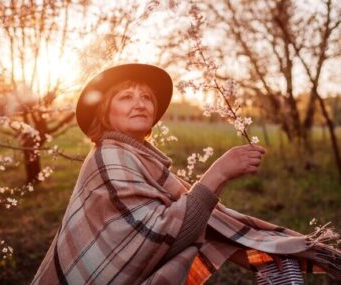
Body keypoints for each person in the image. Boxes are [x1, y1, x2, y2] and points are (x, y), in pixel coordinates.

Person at [31, 64, 341, 284]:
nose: (140, 103)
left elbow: (174, 222)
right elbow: (165, 237)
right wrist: (217, 173)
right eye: (126, 97)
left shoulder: (139, 157)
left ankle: (275, 264)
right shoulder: (109, 158)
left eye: (147, 97)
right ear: (105, 112)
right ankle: (275, 263)